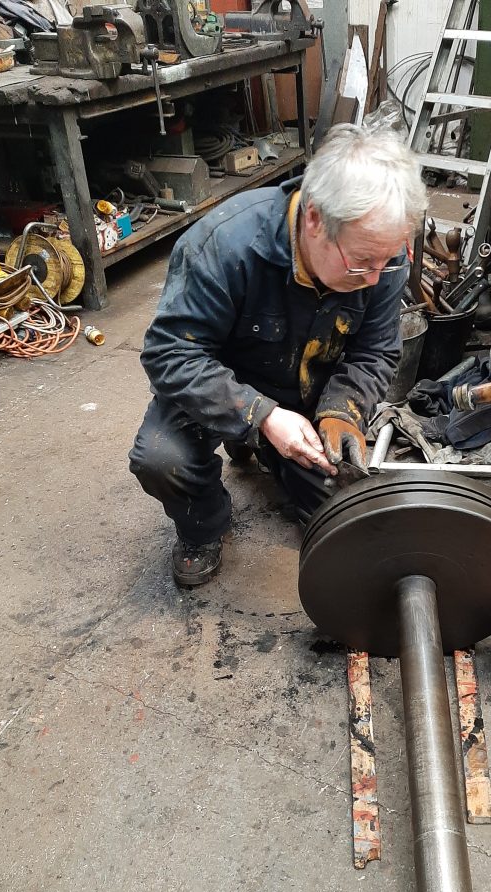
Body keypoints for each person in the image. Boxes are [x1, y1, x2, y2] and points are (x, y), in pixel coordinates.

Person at [129, 123, 427, 586]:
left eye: (386, 261)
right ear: (313, 219)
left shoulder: (381, 255)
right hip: (220, 386)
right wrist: (261, 415)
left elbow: (375, 350)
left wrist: (341, 411)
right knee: (162, 458)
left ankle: (271, 452)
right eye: (361, 261)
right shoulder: (223, 246)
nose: (374, 277)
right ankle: (203, 525)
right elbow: (170, 354)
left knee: (346, 515)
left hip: (307, 394)